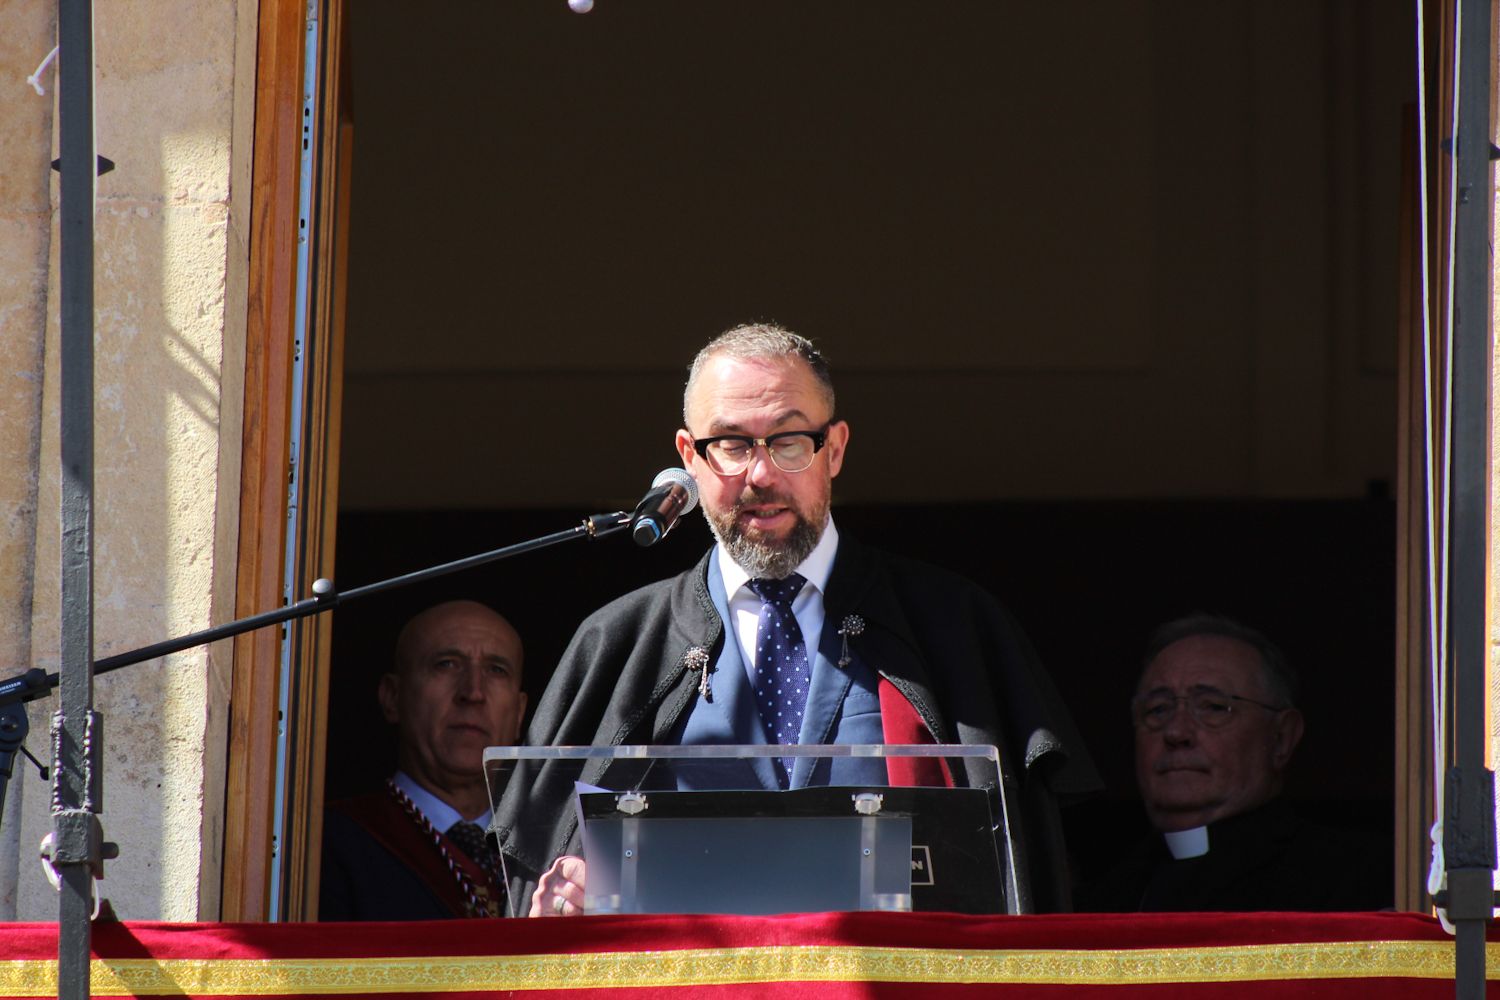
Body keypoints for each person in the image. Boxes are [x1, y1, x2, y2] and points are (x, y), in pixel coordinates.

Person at [492, 322, 1099, 916]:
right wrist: (554, 917)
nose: (760, 476)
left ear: (834, 449)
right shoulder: (618, 644)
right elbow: (541, 884)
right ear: (689, 457)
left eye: (789, 442)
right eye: (731, 444)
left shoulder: (953, 625)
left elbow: (1019, 881)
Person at [1083, 614, 1388, 912]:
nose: (1176, 732)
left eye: (1213, 708)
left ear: (1282, 737)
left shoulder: (1353, 882)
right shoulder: (1101, 896)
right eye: (1157, 709)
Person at [320, 600, 528, 920]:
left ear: (519, 713)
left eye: (496, 670)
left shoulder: (547, 851)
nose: (473, 692)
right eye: (446, 664)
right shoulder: (328, 845)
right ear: (392, 697)